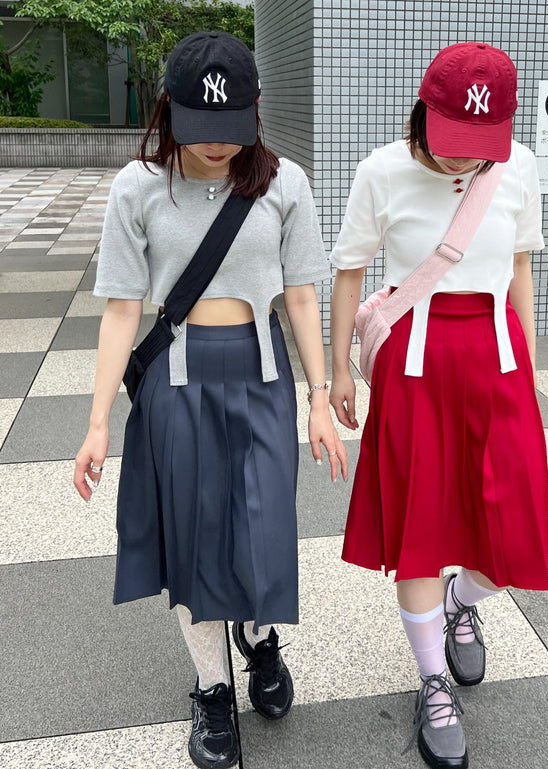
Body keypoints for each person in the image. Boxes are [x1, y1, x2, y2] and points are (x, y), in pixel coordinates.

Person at [73, 31, 347, 769]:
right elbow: (121, 311)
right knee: (194, 541)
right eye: (200, 127)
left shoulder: (284, 183)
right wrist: (97, 422)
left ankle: (257, 635)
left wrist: (319, 396)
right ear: (169, 110)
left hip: (262, 376)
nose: (217, 145)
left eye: (232, 127)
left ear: (255, 111)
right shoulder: (137, 188)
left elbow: (300, 295)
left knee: (263, 528)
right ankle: (212, 686)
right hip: (175, 383)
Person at [329, 42, 548, 769]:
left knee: (513, 530)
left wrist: (530, 365)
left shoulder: (515, 166)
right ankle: (432, 680)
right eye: (453, 137)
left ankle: (461, 600)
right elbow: (350, 271)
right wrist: (338, 370)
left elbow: (518, 266)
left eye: (480, 142)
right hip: (415, 363)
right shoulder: (380, 170)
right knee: (419, 525)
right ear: (422, 112)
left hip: (497, 357)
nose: (464, 156)